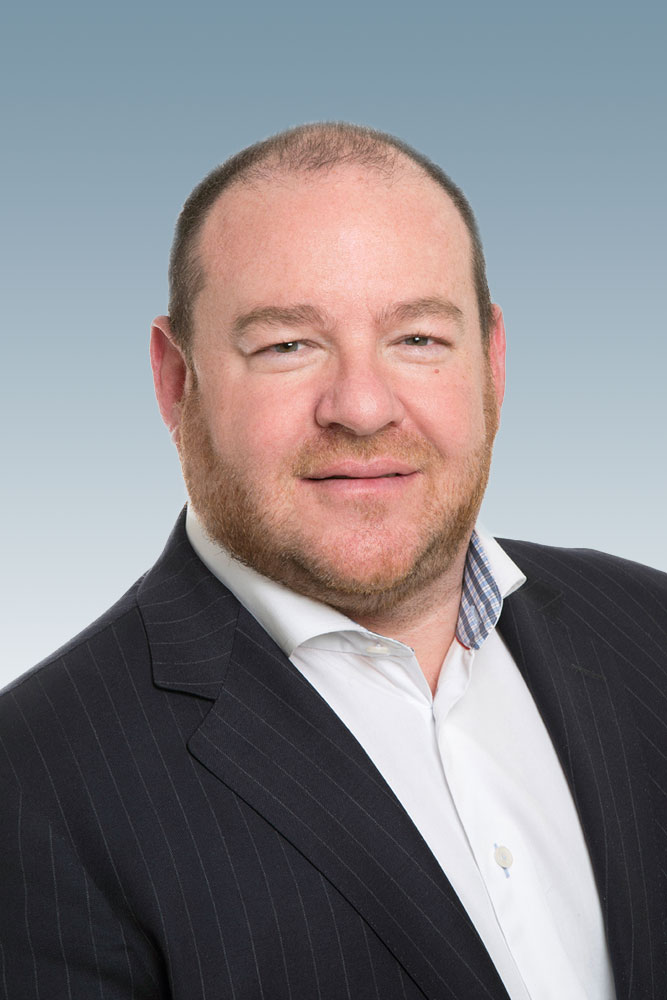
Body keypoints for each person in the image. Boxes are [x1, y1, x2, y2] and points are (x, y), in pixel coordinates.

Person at [1, 123, 665, 1000]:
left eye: (419, 338)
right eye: (287, 345)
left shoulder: (647, 626)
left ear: (492, 363)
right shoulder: (33, 783)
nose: (360, 406)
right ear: (176, 380)